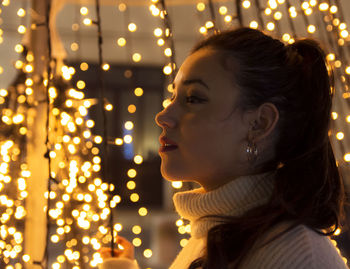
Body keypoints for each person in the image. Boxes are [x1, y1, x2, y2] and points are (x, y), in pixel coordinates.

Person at [99, 27, 348, 269]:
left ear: (259, 124)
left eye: (194, 98)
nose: (163, 116)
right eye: (174, 96)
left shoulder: (294, 255)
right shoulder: (217, 234)